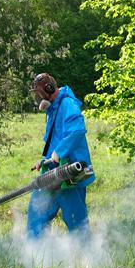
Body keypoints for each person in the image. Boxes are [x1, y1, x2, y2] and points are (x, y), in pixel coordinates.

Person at [27, 73, 95, 239]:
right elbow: (55, 140)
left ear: (49, 89)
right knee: (36, 214)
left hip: (70, 173)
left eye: (39, 93)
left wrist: (58, 153)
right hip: (52, 173)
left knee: (76, 222)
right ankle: (35, 256)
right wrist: (45, 159)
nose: (38, 98)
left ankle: (87, 260)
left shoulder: (68, 104)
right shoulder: (52, 109)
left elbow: (77, 131)